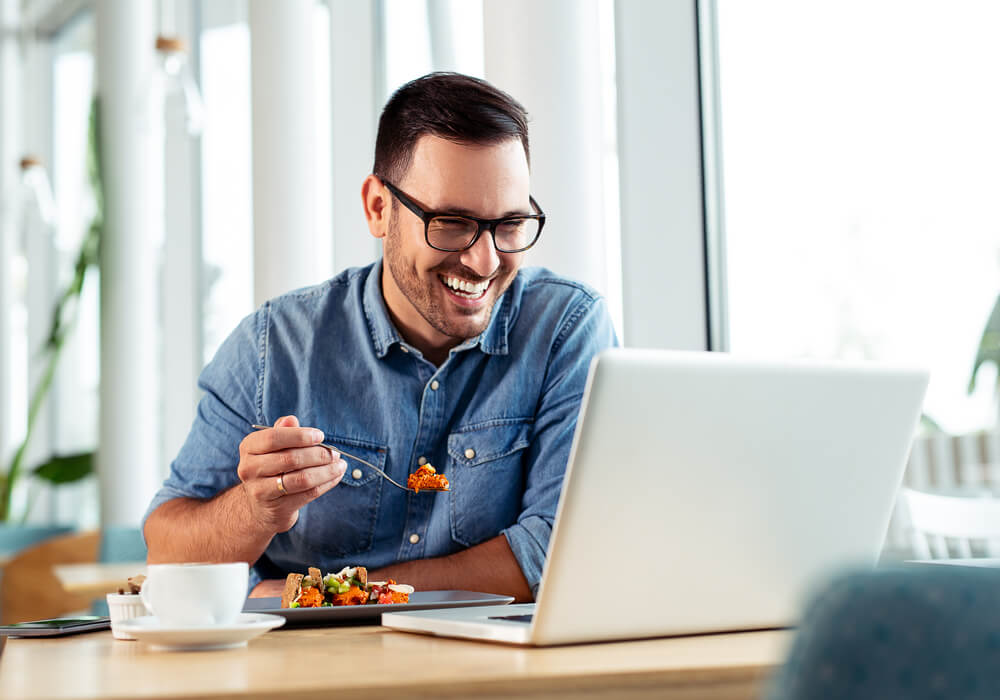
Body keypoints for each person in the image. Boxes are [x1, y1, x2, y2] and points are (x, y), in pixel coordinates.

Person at [142, 72, 618, 602]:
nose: (485, 261)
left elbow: (556, 551)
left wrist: (324, 594)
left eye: (509, 224)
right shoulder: (273, 346)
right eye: (451, 222)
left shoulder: (567, 330)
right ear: (378, 208)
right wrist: (256, 510)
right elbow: (167, 551)